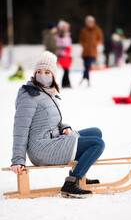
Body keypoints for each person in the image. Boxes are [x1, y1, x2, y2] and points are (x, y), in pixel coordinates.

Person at [10, 51, 105, 199]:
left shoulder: (47, 93)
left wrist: (64, 127)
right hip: (42, 149)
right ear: (34, 74)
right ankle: (72, 183)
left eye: (47, 72)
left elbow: (54, 122)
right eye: (39, 71)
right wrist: (17, 159)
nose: (43, 74)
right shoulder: (29, 95)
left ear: (53, 75)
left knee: (96, 132)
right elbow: (20, 129)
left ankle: (80, 173)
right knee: (97, 144)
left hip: (51, 141)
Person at [79, 15, 104, 86]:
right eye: (88, 22)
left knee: (88, 65)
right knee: (86, 66)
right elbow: (81, 40)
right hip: (85, 52)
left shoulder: (97, 30)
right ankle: (85, 78)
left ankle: (86, 79)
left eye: (91, 22)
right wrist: (84, 44)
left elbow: (100, 39)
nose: (90, 23)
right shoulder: (83, 30)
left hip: (93, 52)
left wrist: (95, 43)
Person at [55, 20, 72, 88]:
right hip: (62, 55)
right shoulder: (58, 36)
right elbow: (58, 45)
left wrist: (69, 50)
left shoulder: (67, 35)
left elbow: (69, 44)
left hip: (67, 55)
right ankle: (66, 83)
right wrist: (65, 49)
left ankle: (66, 83)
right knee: (66, 70)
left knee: (66, 70)